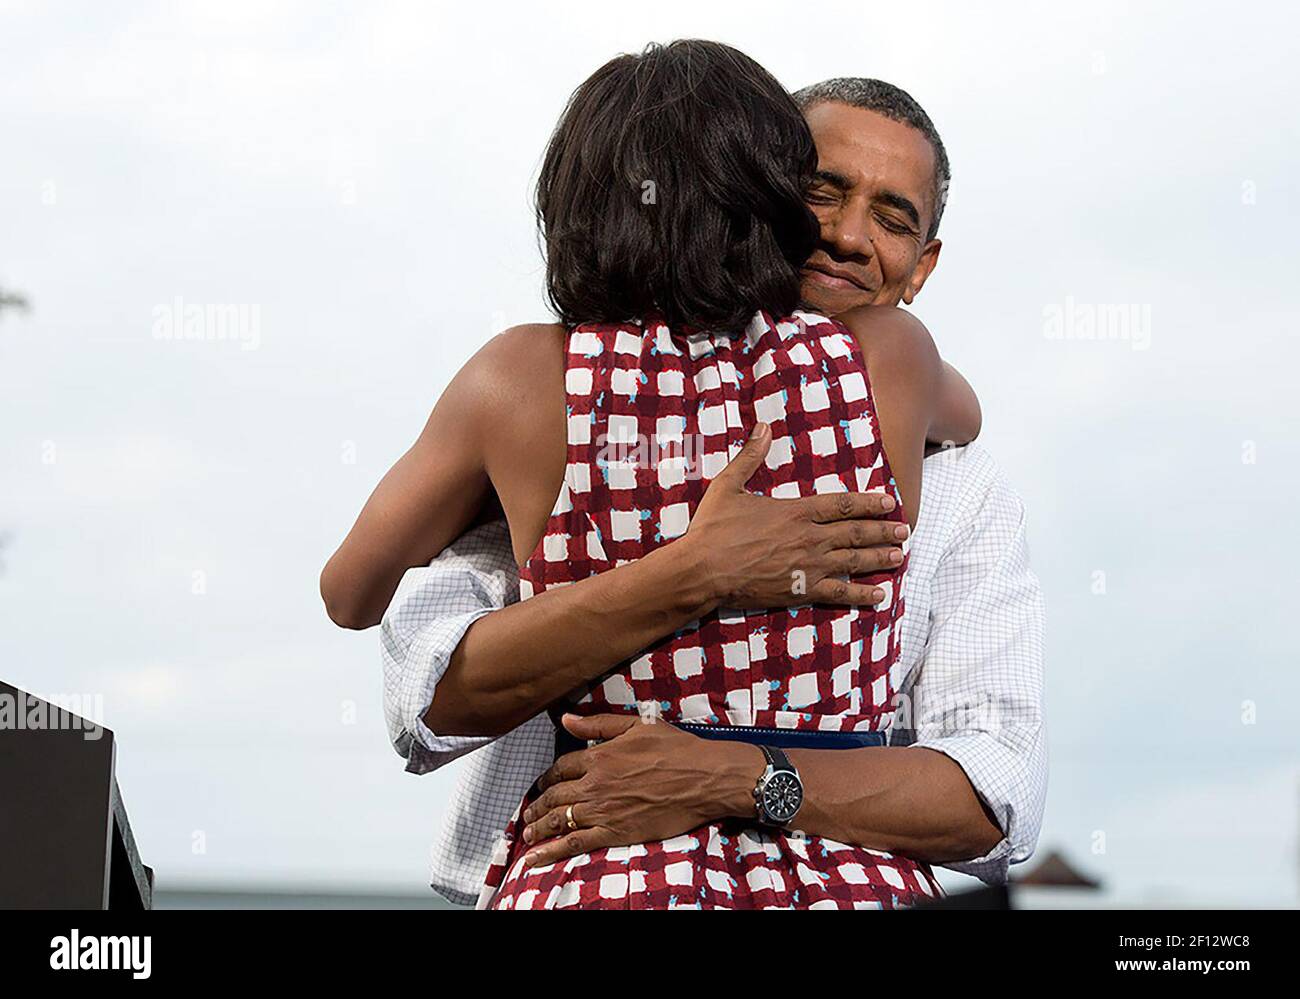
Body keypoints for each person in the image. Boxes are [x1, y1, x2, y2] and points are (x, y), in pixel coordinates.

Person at [325, 54, 1047, 906]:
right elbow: (429, 698)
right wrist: (699, 567)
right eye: (822, 191)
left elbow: (350, 592)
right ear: (765, 195)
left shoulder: (528, 389)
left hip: (593, 874)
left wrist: (733, 775)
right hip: (844, 884)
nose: (849, 234)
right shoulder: (896, 366)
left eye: (890, 217)